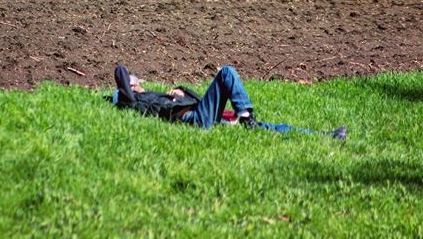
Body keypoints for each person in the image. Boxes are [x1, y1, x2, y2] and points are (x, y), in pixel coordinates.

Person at [112, 64, 347, 140]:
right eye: (135, 81)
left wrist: (180, 92)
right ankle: (245, 115)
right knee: (226, 72)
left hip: (201, 114)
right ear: (130, 87)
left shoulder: (151, 95)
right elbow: (120, 73)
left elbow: (199, 99)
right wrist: (128, 85)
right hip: (196, 120)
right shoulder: (134, 100)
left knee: (269, 128)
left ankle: (326, 136)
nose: (140, 83)